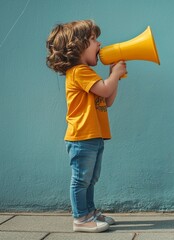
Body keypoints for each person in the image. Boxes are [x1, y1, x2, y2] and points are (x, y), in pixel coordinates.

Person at [46, 20, 127, 233]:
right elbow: (104, 89)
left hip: (93, 136)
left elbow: (107, 99)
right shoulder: (79, 71)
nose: (99, 44)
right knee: (81, 179)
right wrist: (114, 75)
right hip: (82, 136)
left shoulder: (86, 73)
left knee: (91, 178)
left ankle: (89, 212)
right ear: (78, 45)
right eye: (93, 39)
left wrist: (114, 78)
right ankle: (80, 219)